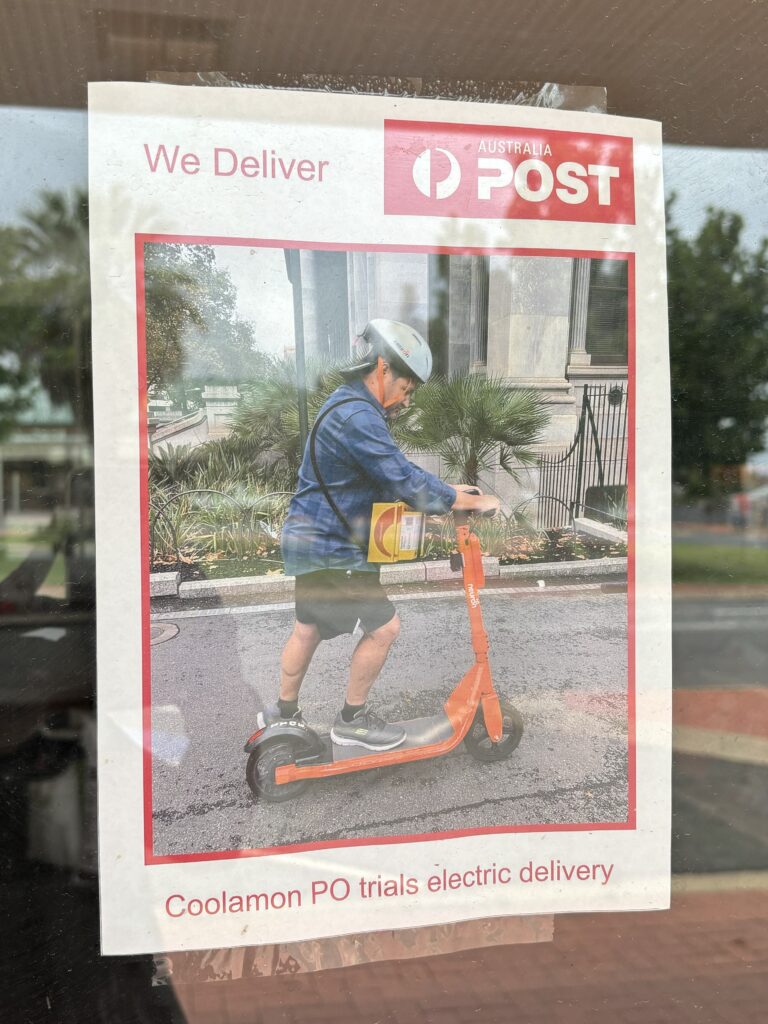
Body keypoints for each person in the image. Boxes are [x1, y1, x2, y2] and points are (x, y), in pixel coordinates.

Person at [264, 318, 499, 751]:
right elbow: (398, 477)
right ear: (382, 367)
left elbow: (391, 468)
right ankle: (353, 720)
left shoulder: (345, 403)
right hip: (334, 546)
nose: (406, 401)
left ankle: (283, 713)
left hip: (310, 537)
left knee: (308, 628)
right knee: (385, 628)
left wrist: (449, 492)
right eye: (407, 390)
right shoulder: (358, 415)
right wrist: (459, 499)